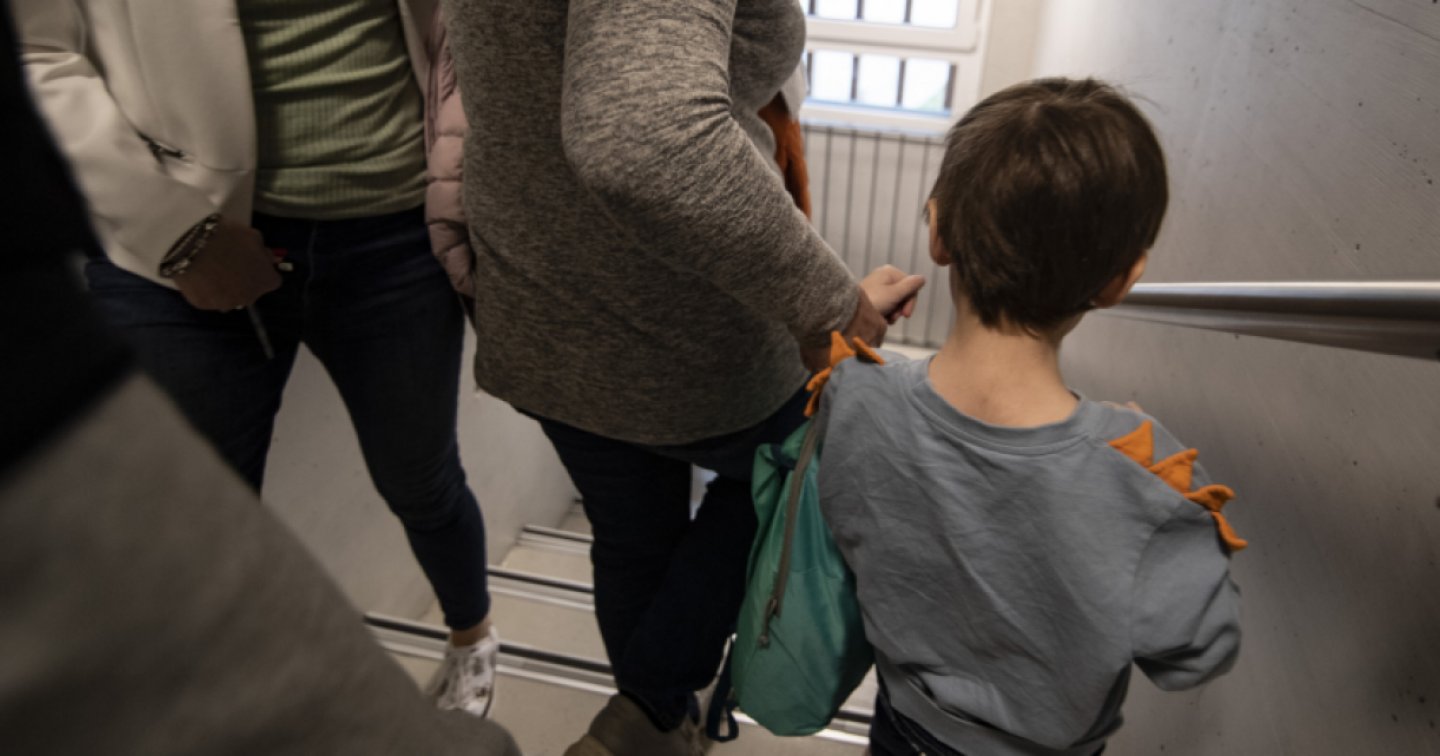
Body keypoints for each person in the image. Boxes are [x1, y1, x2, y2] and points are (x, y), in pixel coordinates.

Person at [0, 4, 519, 749]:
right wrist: (174, 233)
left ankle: (472, 634)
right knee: (185, 530)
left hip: (394, 237)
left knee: (420, 479)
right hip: (172, 236)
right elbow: (35, 56)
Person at [442, 1, 926, 753]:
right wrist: (835, 308)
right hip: (682, 333)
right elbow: (645, 137)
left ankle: (657, 722)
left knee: (631, 538)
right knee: (801, 461)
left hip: (545, 312)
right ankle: (649, 707)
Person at [816, 78, 1245, 756]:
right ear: (1121, 280)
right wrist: (1165, 487)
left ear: (938, 232)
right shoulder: (1142, 481)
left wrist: (851, 335)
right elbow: (1197, 654)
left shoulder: (853, 396)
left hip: (903, 726)